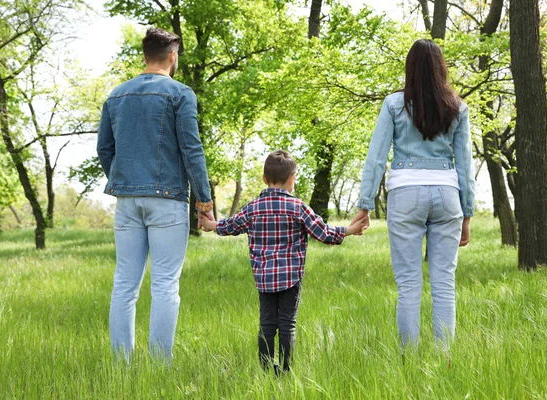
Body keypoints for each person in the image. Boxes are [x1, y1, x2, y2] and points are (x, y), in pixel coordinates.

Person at [97, 27, 214, 362]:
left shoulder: (116, 95)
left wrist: (126, 181)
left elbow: (104, 149)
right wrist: (204, 204)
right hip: (168, 200)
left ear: (145, 55)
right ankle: (160, 366)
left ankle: (123, 365)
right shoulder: (181, 94)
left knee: (124, 284)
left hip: (127, 202)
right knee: (164, 284)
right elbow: (192, 151)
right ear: (173, 56)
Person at [351, 39, 475, 350]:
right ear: (441, 69)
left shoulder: (393, 104)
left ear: (410, 68)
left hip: (405, 195)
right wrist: (467, 214)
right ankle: (444, 361)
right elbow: (465, 163)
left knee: (409, 286)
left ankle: (409, 362)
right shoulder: (458, 108)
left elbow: (376, 157)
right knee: (444, 285)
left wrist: (365, 205)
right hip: (448, 195)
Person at [200, 150, 367, 373]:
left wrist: (209, 224)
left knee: (267, 325)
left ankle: (267, 372)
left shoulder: (253, 208)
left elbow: (228, 226)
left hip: (264, 278)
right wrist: (351, 229)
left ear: (264, 178)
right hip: (291, 278)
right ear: (292, 179)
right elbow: (324, 232)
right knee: (287, 324)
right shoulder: (298, 207)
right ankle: (286, 371)